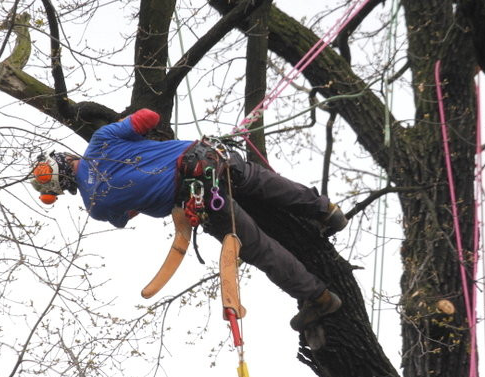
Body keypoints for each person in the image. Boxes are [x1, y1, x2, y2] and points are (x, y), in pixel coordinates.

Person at [30, 109, 347, 331]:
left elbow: (128, 215)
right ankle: (326, 211)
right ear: (65, 158)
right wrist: (138, 138)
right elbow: (149, 118)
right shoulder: (100, 140)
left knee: (258, 248)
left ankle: (318, 298)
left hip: (195, 199)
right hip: (208, 157)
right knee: (259, 180)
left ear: (62, 189)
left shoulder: (95, 206)